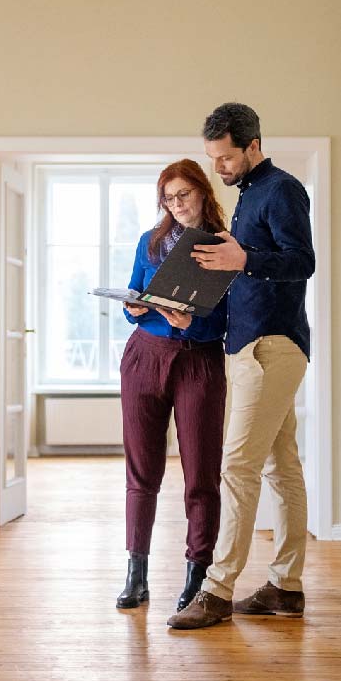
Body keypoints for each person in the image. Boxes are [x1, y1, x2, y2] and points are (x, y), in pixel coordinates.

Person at [167, 102, 315, 629]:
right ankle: (285, 588)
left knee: (237, 468)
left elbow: (303, 262)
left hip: (271, 348)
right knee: (281, 468)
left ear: (253, 145)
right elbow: (244, 282)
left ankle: (217, 588)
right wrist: (189, 311)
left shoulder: (282, 190)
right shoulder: (249, 197)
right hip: (248, 347)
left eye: (226, 158)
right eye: (214, 159)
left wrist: (244, 258)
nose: (219, 169)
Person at [115, 159, 231, 612]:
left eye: (183, 194)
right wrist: (136, 309)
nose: (176, 204)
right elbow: (133, 294)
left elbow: (228, 318)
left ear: (202, 192)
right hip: (144, 356)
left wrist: (192, 321)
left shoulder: (224, 246)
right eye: (168, 197)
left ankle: (197, 574)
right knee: (141, 470)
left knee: (201, 474)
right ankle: (136, 573)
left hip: (199, 361)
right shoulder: (151, 241)